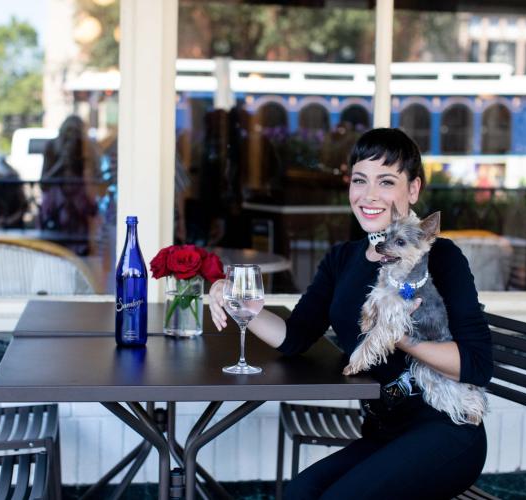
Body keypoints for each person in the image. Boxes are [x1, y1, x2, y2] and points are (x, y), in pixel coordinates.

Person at [209, 128, 492, 499]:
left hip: (447, 430)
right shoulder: (343, 258)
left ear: (413, 190)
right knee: (299, 494)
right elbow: (295, 337)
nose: (369, 195)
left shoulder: (440, 257)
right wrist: (240, 304)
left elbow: (477, 363)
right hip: (385, 432)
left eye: (386, 181)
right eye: (360, 180)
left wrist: (399, 336)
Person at [39, 115, 99, 256]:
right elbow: (43, 182)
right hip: (57, 206)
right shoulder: (52, 147)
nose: (71, 138)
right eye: (68, 134)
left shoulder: (87, 148)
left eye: (75, 134)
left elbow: (97, 178)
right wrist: (62, 163)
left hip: (80, 206)